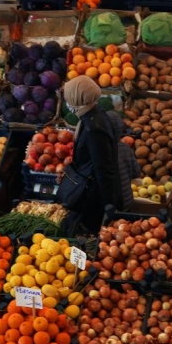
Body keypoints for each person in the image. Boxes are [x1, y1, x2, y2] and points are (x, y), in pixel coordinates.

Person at [60, 77, 121, 235]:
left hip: (95, 197)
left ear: (78, 98)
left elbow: (104, 169)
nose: (67, 102)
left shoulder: (93, 129)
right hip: (93, 190)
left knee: (93, 234)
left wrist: (109, 206)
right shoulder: (95, 113)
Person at [107, 110, 139, 214]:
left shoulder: (102, 150)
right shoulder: (126, 148)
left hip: (110, 202)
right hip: (126, 200)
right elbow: (136, 172)